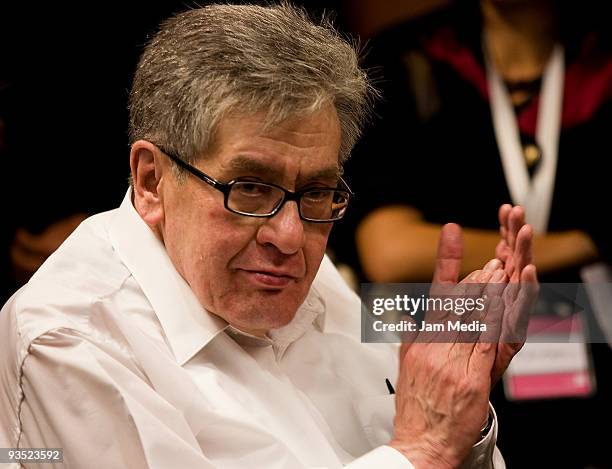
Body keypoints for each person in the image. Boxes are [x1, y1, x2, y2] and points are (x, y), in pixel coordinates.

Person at [0, 3, 537, 468]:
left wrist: (459, 414)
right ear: (151, 181)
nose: (289, 236)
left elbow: (421, 447)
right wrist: (424, 448)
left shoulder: (306, 266)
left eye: (317, 192)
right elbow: (417, 451)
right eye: (251, 188)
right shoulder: (67, 340)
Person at [343, 0, 611, 467]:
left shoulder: (601, 67)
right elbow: (388, 249)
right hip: (449, 363)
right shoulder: (407, 59)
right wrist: (584, 241)